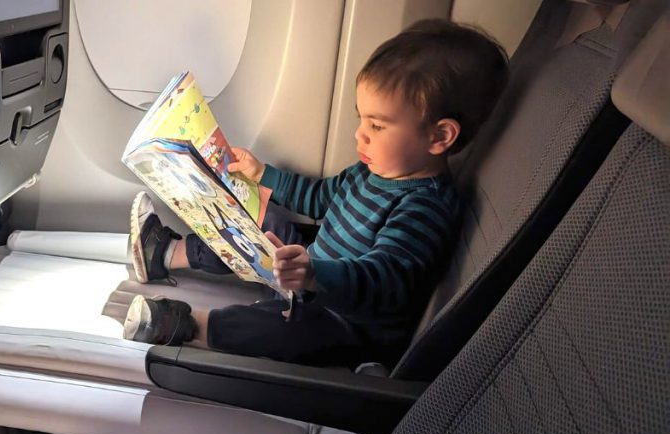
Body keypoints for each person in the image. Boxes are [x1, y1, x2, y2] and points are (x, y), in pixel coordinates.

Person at [123, 19, 509, 366]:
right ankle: (164, 253)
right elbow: (320, 197)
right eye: (361, 119)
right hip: (310, 277)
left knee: (281, 329)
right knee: (258, 220)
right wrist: (263, 175)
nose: (359, 135)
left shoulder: (424, 206)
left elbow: (382, 280)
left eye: (377, 126)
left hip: (346, 323)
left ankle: (186, 326)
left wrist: (313, 275)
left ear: (440, 136)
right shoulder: (370, 170)